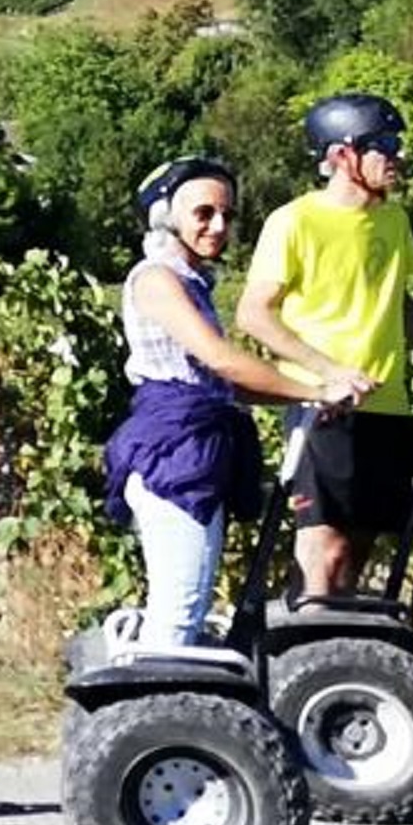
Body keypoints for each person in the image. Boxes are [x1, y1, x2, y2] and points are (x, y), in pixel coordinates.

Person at [235, 91, 413, 603]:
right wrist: (329, 374)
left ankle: (342, 671)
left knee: (361, 551)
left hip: (389, 407)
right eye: (384, 144)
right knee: (323, 551)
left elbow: (399, 304)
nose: (398, 156)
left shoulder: (393, 222)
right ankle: (301, 663)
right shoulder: (294, 222)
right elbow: (253, 314)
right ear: (341, 155)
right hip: (323, 408)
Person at [103, 157, 359, 659]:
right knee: (179, 611)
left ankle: (168, 717)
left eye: (226, 215)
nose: (218, 226)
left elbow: (224, 386)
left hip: (197, 447)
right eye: (203, 213)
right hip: (173, 452)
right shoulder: (156, 280)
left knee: (188, 608)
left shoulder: (193, 283)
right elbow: (219, 361)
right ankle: (160, 724)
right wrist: (321, 385)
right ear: (164, 217)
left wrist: (309, 394)